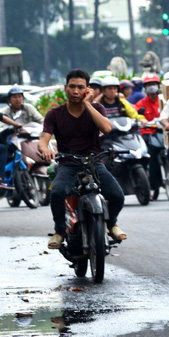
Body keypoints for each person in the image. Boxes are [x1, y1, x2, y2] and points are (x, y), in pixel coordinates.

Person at [37, 68, 126, 249]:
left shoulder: (97, 108)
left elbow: (107, 128)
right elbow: (43, 140)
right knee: (57, 193)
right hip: (68, 164)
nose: (76, 91)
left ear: (88, 90)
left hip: (94, 163)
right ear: (65, 88)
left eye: (80, 87)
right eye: (72, 87)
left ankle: (111, 224)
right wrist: (45, 149)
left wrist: (87, 104)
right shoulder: (54, 114)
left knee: (117, 195)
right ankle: (60, 231)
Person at [135, 73, 166, 199]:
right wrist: (141, 121)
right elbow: (136, 114)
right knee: (150, 155)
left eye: (154, 84)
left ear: (158, 86)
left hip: (164, 132)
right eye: (149, 85)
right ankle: (150, 183)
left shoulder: (164, 100)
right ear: (145, 88)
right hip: (148, 133)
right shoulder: (141, 103)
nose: (152, 87)